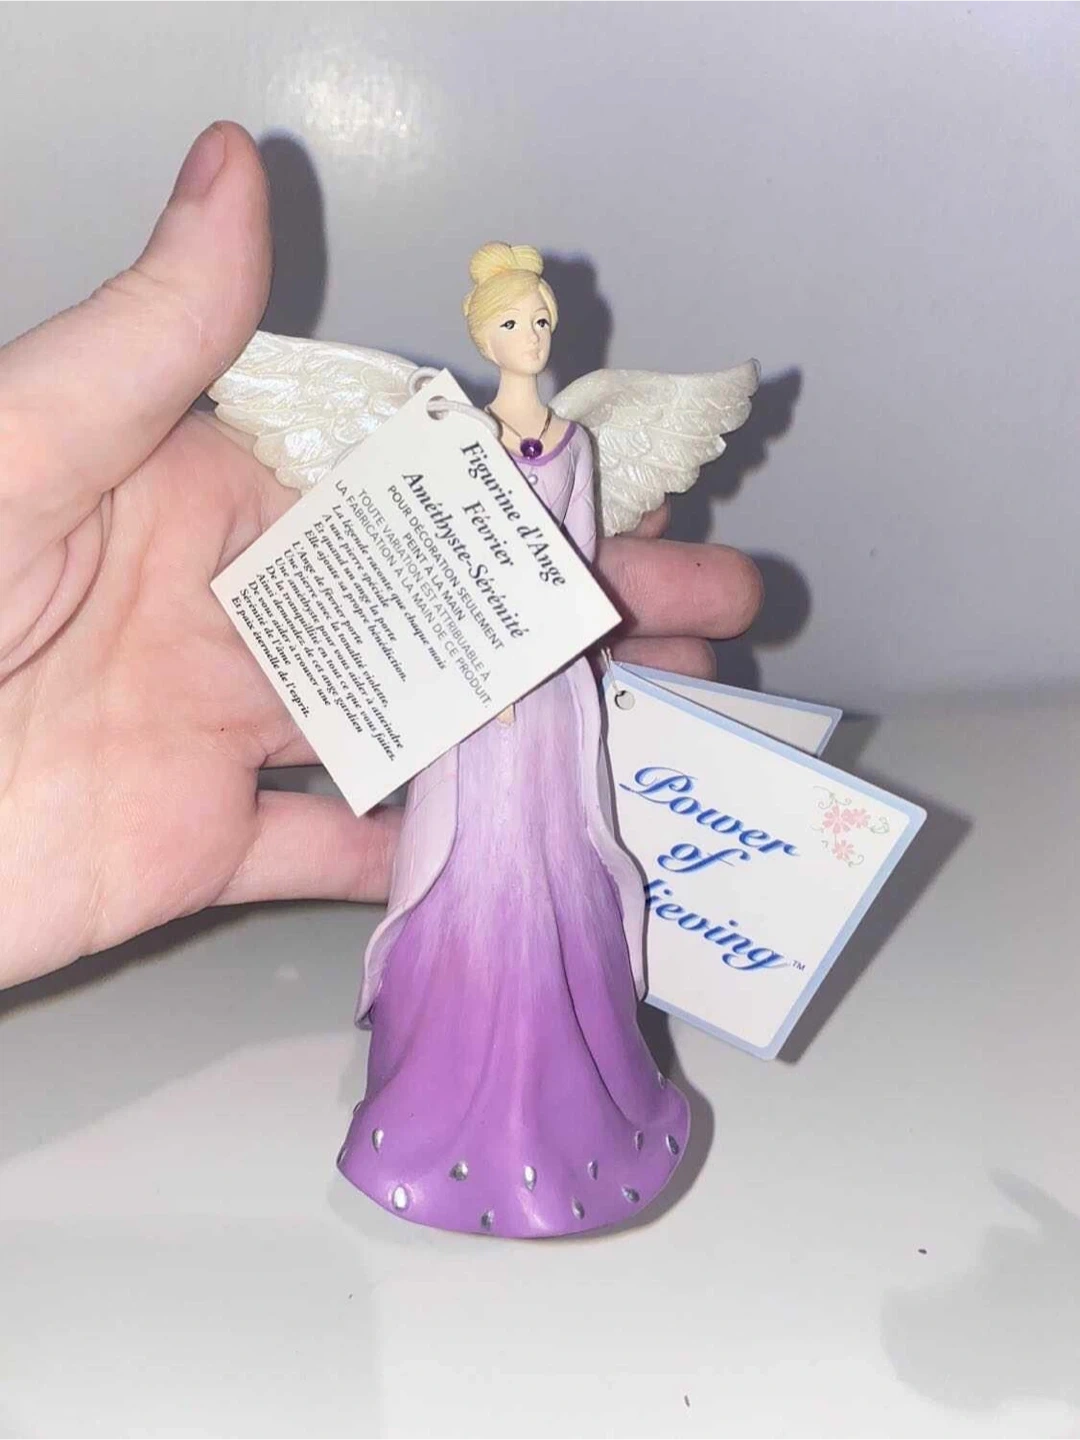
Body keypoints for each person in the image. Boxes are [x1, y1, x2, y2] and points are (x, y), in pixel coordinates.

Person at [0, 123, 763, 993]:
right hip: (455, 677)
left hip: (540, 679)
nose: (531, 336)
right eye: (513, 322)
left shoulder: (576, 437)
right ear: (485, 334)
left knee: (559, 833)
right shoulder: (434, 432)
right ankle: (456, 1002)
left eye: (540, 321)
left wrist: (546, 644)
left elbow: (581, 559)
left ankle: (556, 993)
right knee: (455, 843)